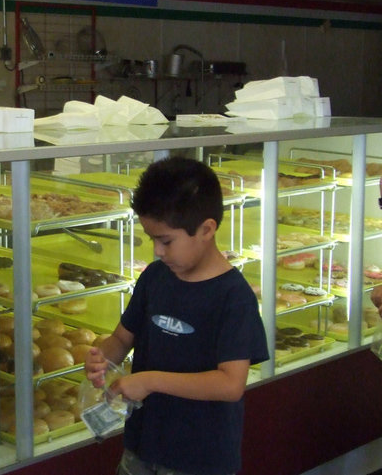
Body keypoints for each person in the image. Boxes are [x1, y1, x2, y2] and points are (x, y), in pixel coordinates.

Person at [85, 156, 269, 475]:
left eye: (165, 240)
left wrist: (150, 381)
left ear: (206, 229)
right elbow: (121, 337)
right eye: (152, 238)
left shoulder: (233, 297)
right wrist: (103, 357)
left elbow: (230, 384)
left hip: (200, 459)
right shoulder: (155, 278)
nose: (157, 250)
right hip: (142, 447)